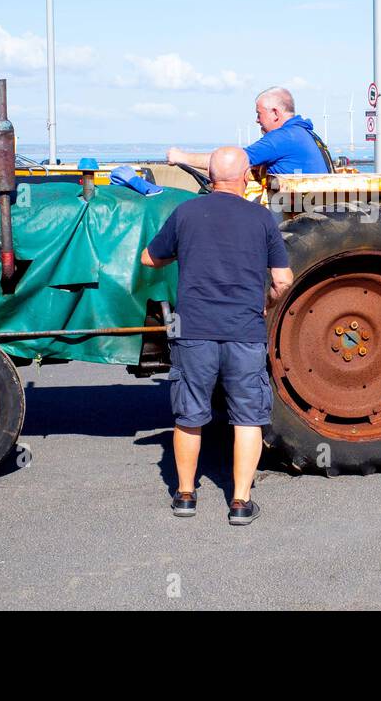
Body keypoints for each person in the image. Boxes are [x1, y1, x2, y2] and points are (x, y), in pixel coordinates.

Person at [141, 146, 294, 526]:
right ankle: (240, 503)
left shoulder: (186, 213)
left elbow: (149, 258)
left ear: (210, 177)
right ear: (245, 177)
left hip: (194, 330)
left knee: (190, 415)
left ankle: (186, 496)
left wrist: (186, 252)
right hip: (244, 331)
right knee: (247, 417)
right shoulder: (261, 218)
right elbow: (282, 280)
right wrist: (268, 303)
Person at [166, 86, 331, 177]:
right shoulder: (306, 133)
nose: (257, 120)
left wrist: (181, 157)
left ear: (275, 113)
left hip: (292, 210)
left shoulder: (282, 138)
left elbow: (230, 163)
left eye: (259, 114)